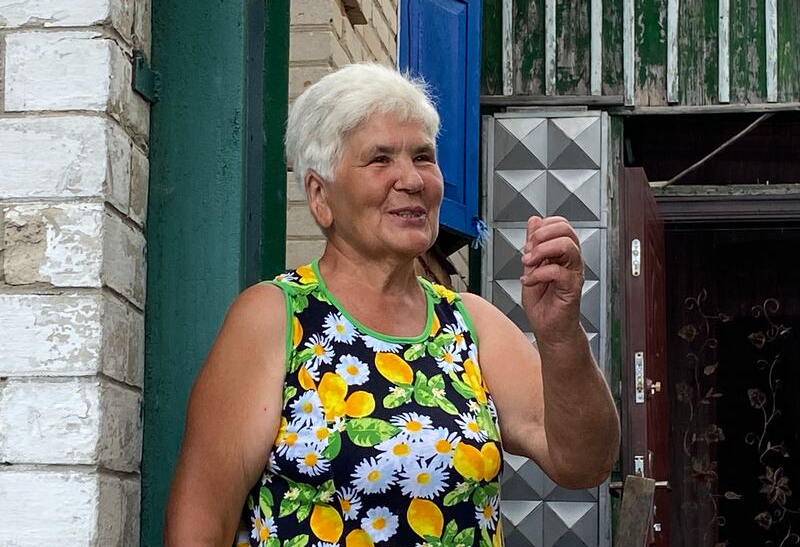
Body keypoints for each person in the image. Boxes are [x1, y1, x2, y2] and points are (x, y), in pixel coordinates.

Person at [165, 63, 620, 547]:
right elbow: (200, 522)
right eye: (380, 159)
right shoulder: (275, 318)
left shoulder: (469, 324)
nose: (412, 179)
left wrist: (560, 336)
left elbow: (584, 463)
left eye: (423, 157)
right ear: (321, 197)